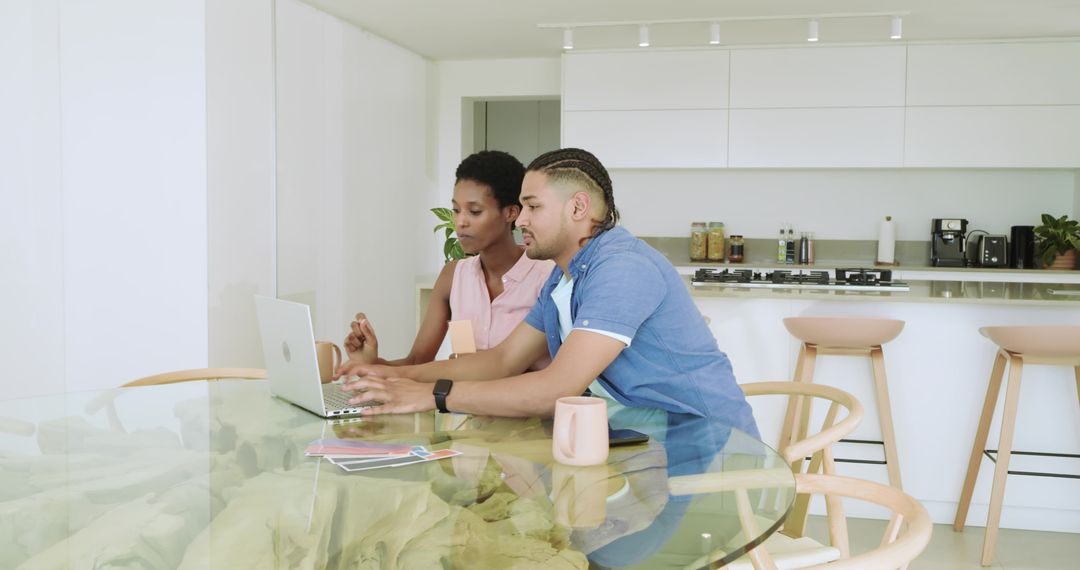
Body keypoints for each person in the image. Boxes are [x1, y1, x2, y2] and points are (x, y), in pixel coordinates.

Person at [336, 148, 757, 436]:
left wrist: (434, 395)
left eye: (533, 207)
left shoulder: (624, 268)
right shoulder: (563, 276)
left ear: (577, 208)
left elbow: (554, 389)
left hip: (706, 448)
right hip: (643, 438)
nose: (521, 221)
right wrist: (389, 374)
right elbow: (502, 360)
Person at [344, 150, 554, 369]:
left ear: (511, 213)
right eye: (456, 209)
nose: (460, 222)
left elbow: (539, 375)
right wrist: (370, 363)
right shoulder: (453, 276)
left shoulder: (546, 278)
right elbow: (417, 362)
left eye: (474, 211)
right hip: (458, 403)